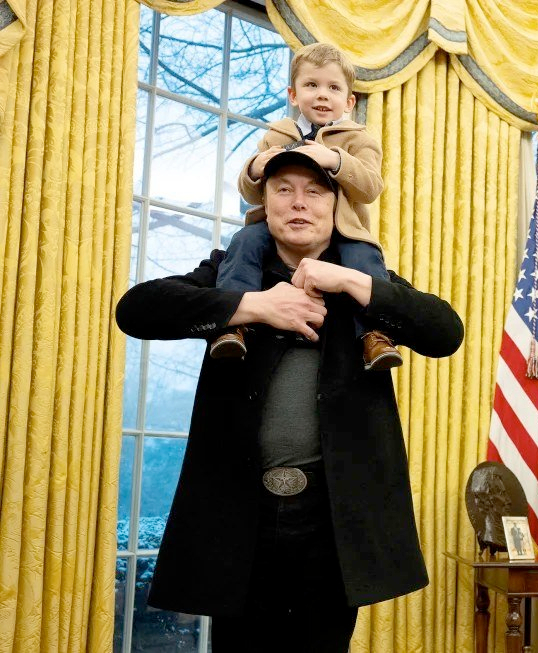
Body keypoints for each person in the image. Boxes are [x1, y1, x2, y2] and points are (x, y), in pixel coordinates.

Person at [115, 146, 463, 652]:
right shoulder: (231, 271)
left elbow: (446, 332)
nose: (299, 202)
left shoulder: (363, 277)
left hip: (333, 522)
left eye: (315, 192)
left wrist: (350, 280)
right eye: (284, 190)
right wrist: (252, 305)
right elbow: (135, 310)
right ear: (267, 204)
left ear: (337, 207)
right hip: (238, 518)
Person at [211, 42, 402, 371]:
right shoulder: (277, 135)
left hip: (343, 230)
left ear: (349, 101)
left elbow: (371, 187)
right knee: (244, 241)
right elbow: (252, 193)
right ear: (293, 95)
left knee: (365, 258)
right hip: (279, 229)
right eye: (312, 85)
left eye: (333, 88)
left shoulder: (358, 140)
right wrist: (255, 167)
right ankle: (233, 326)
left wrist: (336, 160)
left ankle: (374, 335)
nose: (322, 95)